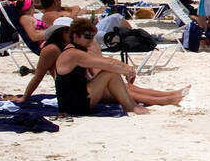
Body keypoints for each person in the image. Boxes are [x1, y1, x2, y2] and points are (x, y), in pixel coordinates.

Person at [10, 18, 188, 107]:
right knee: (123, 87)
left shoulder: (75, 47)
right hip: (75, 94)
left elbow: (95, 65)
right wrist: (25, 98)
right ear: (62, 33)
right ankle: (166, 100)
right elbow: (38, 76)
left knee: (125, 86)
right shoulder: (51, 50)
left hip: (84, 85)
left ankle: (167, 95)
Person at [49, 18, 148, 115]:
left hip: (72, 101)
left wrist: (126, 68)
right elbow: (108, 64)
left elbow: (107, 61)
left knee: (111, 73)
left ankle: (132, 105)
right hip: (73, 104)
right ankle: (130, 106)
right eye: (87, 36)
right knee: (110, 73)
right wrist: (128, 71)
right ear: (75, 36)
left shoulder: (74, 49)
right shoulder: (74, 53)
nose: (91, 40)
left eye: (93, 36)